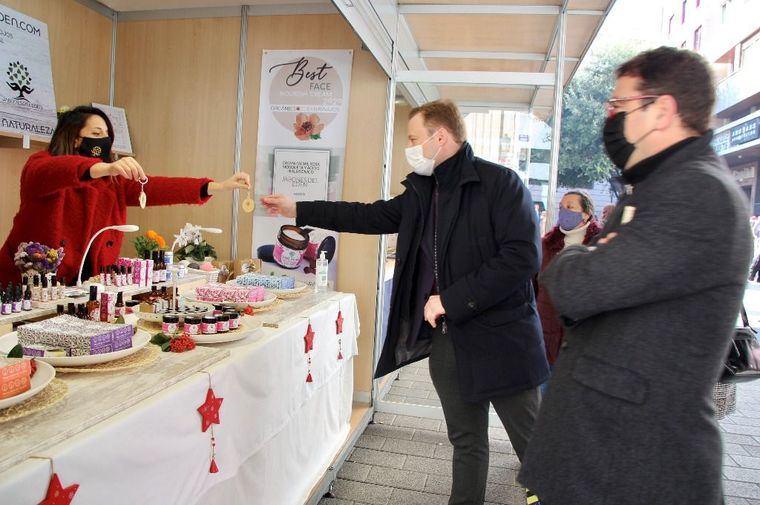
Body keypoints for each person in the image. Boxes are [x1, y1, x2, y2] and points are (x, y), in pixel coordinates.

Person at [262, 99, 549, 505]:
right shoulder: (423, 190)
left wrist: (450, 298)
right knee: (466, 440)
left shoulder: (501, 184)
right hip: (449, 337)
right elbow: (368, 216)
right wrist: (299, 208)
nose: (410, 147)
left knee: (533, 448)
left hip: (503, 338)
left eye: (414, 139)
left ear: (441, 137)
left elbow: (522, 258)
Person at [518, 47, 753, 505]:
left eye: (619, 105)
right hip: (608, 453)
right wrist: (593, 255)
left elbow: (576, 286)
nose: (610, 118)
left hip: (633, 463)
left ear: (661, 110)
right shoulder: (660, 186)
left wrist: (577, 259)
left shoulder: (696, 191)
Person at [0, 106, 250, 285]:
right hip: (26, 285)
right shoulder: (40, 164)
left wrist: (215, 186)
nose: (104, 140)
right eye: (96, 134)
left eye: (107, 134)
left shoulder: (112, 181)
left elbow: (153, 187)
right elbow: (56, 171)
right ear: (75, 139)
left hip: (85, 284)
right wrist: (103, 168)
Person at [536, 191, 601, 380]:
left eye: (570, 207)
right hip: (545, 334)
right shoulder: (547, 244)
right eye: (561, 207)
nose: (564, 212)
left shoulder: (599, 245)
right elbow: (534, 285)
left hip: (582, 336)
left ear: (586, 213)